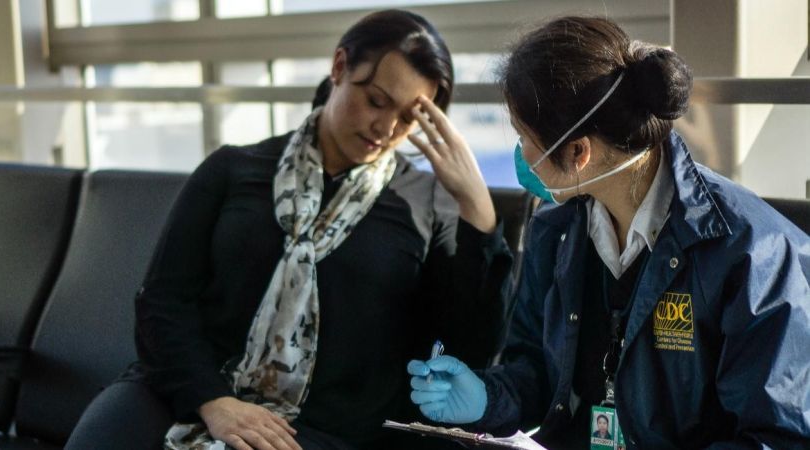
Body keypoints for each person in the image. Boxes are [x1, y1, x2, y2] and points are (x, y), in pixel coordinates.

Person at [66, 9, 514, 450]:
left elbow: (467, 348)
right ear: (339, 67)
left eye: (410, 118)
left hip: (322, 423)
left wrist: (477, 207)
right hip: (188, 388)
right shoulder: (233, 169)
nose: (388, 127)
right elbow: (163, 302)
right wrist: (213, 400)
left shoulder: (427, 203)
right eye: (376, 100)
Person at [407, 16, 810, 449]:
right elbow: (538, 374)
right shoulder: (556, 230)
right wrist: (487, 397)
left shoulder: (751, 252)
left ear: (578, 152)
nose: (520, 153)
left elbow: (774, 437)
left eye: (524, 136)